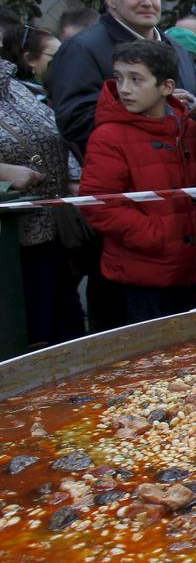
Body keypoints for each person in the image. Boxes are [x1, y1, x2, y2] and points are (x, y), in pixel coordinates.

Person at [80, 41, 196, 324]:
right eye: (119, 78)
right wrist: (157, 235)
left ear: (166, 86)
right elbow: (98, 205)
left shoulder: (189, 130)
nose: (125, 88)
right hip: (143, 275)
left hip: (195, 270)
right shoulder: (109, 137)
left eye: (136, 79)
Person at [45, 0, 196, 155]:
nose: (147, 2)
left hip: (186, 170)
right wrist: (153, 105)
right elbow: (74, 121)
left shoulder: (177, 48)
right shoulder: (81, 48)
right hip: (126, 174)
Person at [0, 28, 84, 349]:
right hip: (10, 251)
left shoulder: (16, 86)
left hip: (53, 235)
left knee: (67, 335)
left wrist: (73, 176)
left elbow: (54, 135)